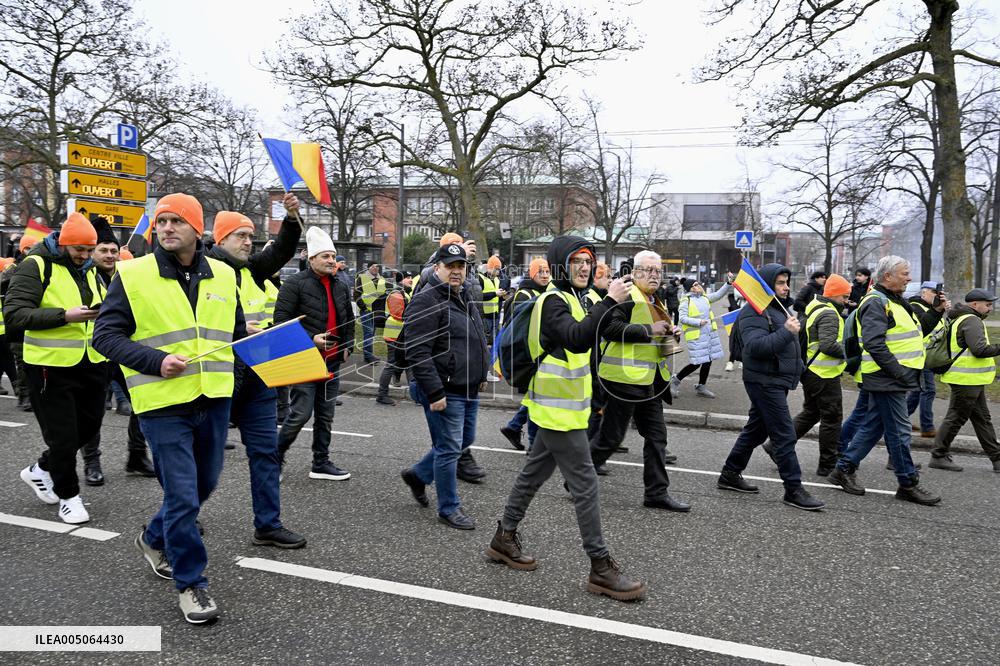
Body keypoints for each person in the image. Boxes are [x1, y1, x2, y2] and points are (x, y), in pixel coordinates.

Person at [92, 193, 244, 623]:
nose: (167, 228)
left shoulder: (224, 274)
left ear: (198, 229)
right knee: (181, 494)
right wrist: (155, 361)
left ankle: (152, 537)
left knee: (203, 487)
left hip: (213, 398)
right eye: (162, 221)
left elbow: (231, 335)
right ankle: (192, 584)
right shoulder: (133, 274)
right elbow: (105, 336)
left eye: (177, 221)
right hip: (161, 403)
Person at [486, 235, 645, 602]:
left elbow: (607, 329)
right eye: (577, 260)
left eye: (589, 260)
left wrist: (650, 329)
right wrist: (607, 301)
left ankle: (503, 538)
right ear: (561, 265)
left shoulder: (586, 298)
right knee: (586, 484)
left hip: (573, 407)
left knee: (532, 474)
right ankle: (600, 567)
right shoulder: (551, 302)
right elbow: (576, 339)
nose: (585, 267)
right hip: (555, 410)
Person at [207, 198, 306, 548]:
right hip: (217, 377)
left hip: (257, 375)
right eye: (240, 236)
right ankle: (180, 517)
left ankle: (268, 524)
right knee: (205, 457)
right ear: (220, 240)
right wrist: (236, 331)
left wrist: (292, 216)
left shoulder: (252, 269)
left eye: (250, 235)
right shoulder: (201, 271)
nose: (248, 242)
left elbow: (282, 249)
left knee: (264, 452)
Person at [7, 213, 108, 524]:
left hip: (91, 363)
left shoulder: (91, 270)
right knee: (63, 437)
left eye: (90, 250)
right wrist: (64, 315)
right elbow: (15, 314)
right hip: (49, 367)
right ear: (63, 243)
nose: (85, 256)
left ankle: (41, 469)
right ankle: (69, 497)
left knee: (88, 428)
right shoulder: (36, 265)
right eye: (79, 249)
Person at [827, 255, 941, 505]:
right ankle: (907, 483)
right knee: (899, 432)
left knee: (872, 426)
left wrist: (936, 312)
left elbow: (915, 330)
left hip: (890, 377)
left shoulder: (895, 301)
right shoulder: (877, 303)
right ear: (887, 276)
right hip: (887, 378)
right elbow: (874, 344)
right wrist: (899, 374)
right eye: (904, 273)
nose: (909, 278)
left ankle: (842, 469)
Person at [717, 263, 825, 511]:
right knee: (784, 434)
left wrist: (800, 369)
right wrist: (788, 332)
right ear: (766, 285)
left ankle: (730, 474)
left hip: (776, 379)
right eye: (780, 283)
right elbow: (755, 347)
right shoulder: (753, 312)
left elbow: (785, 348)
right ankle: (793, 489)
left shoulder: (776, 308)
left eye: (787, 282)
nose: (786, 287)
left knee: (756, 431)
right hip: (763, 381)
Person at [590, 250, 689, 513]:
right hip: (623, 380)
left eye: (658, 271)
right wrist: (649, 330)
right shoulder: (628, 295)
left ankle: (656, 493)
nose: (654, 275)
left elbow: (659, 341)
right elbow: (607, 329)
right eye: (648, 270)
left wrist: (672, 335)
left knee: (657, 436)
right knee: (610, 439)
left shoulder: (656, 300)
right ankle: (576, 480)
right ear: (635, 272)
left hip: (652, 382)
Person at [400, 242, 489, 529]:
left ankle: (418, 475)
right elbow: (417, 351)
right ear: (436, 268)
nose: (455, 271)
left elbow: (478, 338)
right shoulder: (426, 300)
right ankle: (449, 508)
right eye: (449, 266)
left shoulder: (463, 296)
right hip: (444, 389)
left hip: (468, 386)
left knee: (463, 441)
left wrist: (482, 372)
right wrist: (434, 392)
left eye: (460, 266)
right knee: (449, 448)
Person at [80, 218, 155, 485]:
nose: (110, 255)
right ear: (93, 252)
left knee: (143, 403)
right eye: (104, 250)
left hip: (124, 352)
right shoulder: (82, 275)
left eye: (113, 250)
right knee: (93, 413)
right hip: (92, 355)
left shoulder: (127, 276)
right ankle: (92, 463)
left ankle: (137, 456)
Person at [275, 227, 355, 481]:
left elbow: (349, 320)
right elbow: (280, 322)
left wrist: (348, 346)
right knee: (300, 414)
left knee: (326, 415)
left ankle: (321, 462)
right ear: (310, 259)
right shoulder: (294, 284)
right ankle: (273, 459)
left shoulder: (340, 285)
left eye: (333, 256)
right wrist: (311, 340)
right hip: (305, 360)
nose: (332, 261)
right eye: (325, 257)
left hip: (332, 361)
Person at [929, 289, 1000, 473]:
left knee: (982, 419)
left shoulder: (963, 318)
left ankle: (997, 458)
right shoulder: (971, 320)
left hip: (970, 379)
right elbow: (980, 350)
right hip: (966, 379)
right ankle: (938, 455)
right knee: (956, 418)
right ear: (975, 305)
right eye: (988, 304)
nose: (990, 308)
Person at [791, 273, 851, 476]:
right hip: (823, 373)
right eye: (844, 296)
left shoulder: (817, 307)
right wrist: (848, 354)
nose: (846, 300)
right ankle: (827, 464)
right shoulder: (829, 314)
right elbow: (827, 345)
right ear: (834, 294)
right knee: (832, 418)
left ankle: (776, 445)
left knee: (811, 412)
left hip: (813, 371)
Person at [499, 258, 551, 451]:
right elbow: (518, 330)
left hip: (540, 352)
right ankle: (533, 443)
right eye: (541, 272)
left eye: (547, 271)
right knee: (537, 396)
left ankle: (514, 426)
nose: (545, 275)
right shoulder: (524, 294)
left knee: (535, 395)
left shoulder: (543, 293)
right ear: (532, 273)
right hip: (528, 354)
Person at [672, 275, 733, 399]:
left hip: (709, 335)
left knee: (708, 361)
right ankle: (675, 380)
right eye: (695, 285)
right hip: (696, 337)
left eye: (698, 283)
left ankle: (701, 386)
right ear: (690, 289)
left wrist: (728, 283)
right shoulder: (686, 300)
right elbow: (682, 318)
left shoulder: (704, 297)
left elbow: (718, 295)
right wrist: (698, 322)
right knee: (697, 362)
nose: (698, 285)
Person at [905, 281, 948, 438]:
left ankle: (901, 419)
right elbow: (923, 328)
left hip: (928, 356)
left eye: (939, 293)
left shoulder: (932, 309)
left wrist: (944, 311)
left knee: (917, 392)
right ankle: (927, 427)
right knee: (928, 391)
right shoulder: (915, 306)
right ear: (923, 293)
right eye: (933, 292)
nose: (937, 295)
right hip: (921, 356)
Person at [375, 270, 413, 406]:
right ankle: (382, 394)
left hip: (401, 334)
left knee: (409, 363)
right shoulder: (397, 293)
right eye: (408, 277)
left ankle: (416, 394)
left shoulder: (404, 292)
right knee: (391, 364)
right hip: (395, 335)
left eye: (411, 277)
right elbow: (399, 314)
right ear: (400, 280)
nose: (411, 279)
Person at [355, 261, 386, 364]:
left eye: (377, 266)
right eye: (373, 266)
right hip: (367, 311)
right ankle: (368, 356)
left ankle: (369, 355)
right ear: (368, 268)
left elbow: (383, 295)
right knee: (368, 333)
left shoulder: (381, 279)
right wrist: (363, 307)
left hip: (377, 312)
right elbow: (357, 295)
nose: (376, 268)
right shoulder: (362, 278)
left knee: (371, 334)